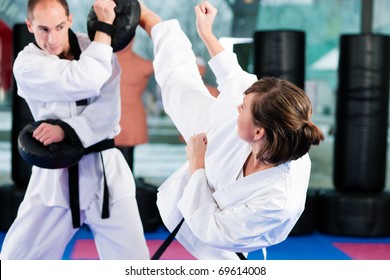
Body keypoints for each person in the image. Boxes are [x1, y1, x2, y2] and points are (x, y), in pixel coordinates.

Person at [138, 1, 324, 259]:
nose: (238, 105)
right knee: (179, 86)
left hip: (227, 239)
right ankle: (152, 21)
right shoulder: (269, 117)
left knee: (223, 261)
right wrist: (207, 33)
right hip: (227, 138)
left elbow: (212, 228)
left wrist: (197, 165)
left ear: (258, 132)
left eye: (244, 107)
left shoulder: (277, 201)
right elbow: (233, 74)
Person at [0, 0, 149, 260]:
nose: (52, 38)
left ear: (69, 20)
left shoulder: (98, 50)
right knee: (18, 260)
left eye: (59, 27)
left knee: (133, 262)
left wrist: (66, 130)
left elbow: (108, 113)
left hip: (106, 173)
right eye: (43, 29)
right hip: (56, 177)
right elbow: (85, 79)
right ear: (29, 25)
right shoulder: (27, 64)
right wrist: (104, 27)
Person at [115, 40, 153, 171]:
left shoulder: (105, 63)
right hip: (127, 120)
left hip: (118, 120)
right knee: (122, 164)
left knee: (118, 164)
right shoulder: (143, 65)